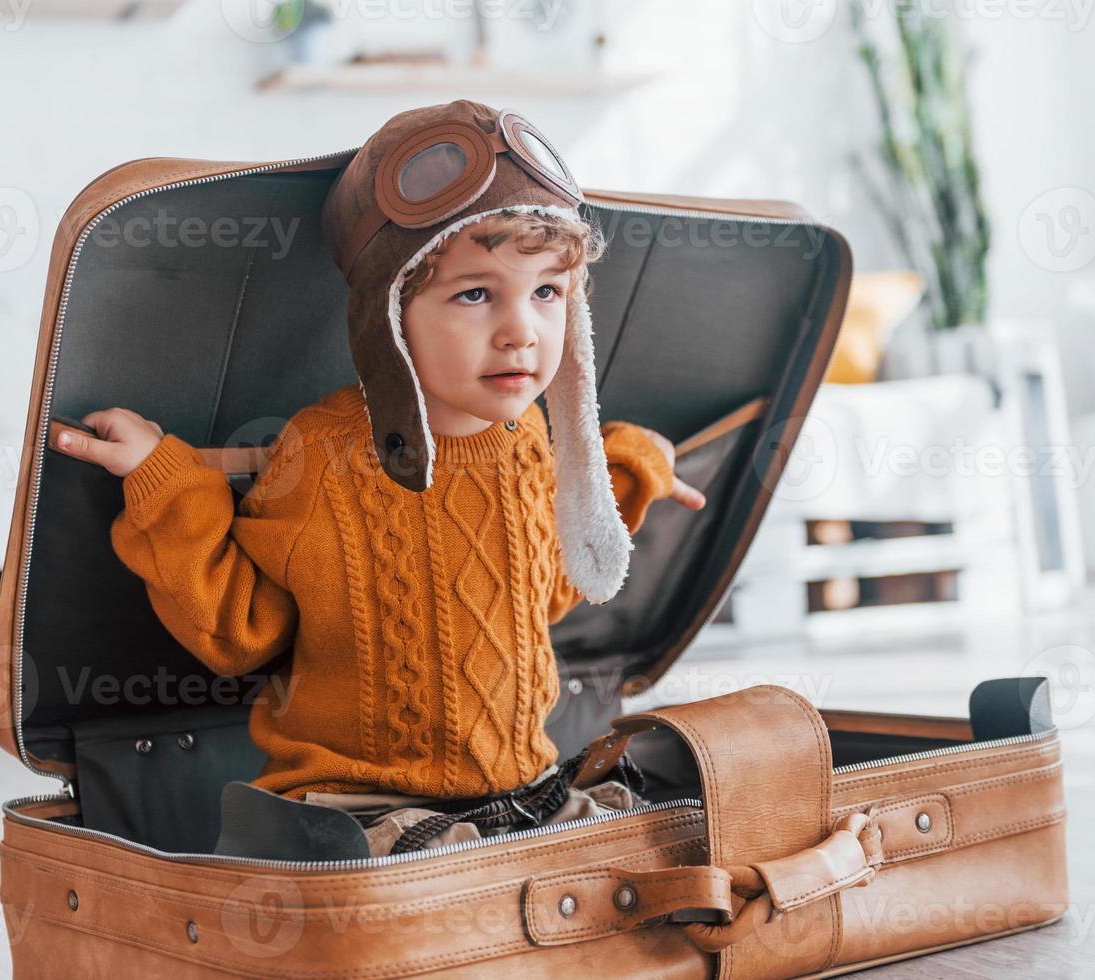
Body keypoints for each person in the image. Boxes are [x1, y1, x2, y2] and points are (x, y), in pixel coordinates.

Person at [53, 99, 706, 859]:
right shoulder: (325, 455)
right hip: (361, 812)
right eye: (475, 293)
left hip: (520, 798)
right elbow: (241, 630)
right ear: (390, 315)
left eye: (546, 293)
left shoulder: (531, 436)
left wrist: (619, 469)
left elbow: (546, 588)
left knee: (661, 835)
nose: (521, 329)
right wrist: (163, 483)